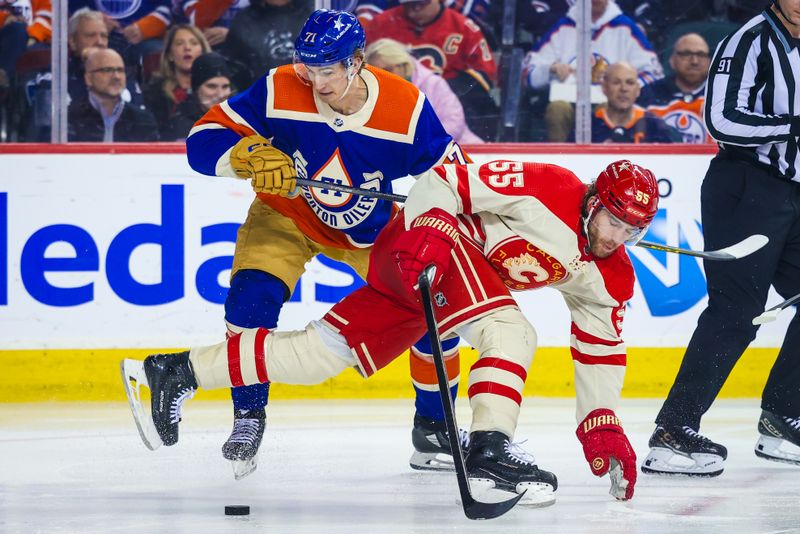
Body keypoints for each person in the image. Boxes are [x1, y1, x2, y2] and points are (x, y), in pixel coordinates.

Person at [122, 158, 660, 505]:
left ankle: (177, 370)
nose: (620, 237)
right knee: (509, 330)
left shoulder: (611, 275)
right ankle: (490, 447)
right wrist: (427, 232)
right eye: (614, 220)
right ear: (593, 200)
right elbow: (444, 177)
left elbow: (601, 349)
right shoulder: (549, 186)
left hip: (443, 286)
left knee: (320, 355)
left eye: (635, 230)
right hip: (424, 247)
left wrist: (601, 421)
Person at [181, 9, 469, 480]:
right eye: (308, 68)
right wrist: (244, 152)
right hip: (285, 215)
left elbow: (454, 176)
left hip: (367, 231)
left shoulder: (405, 106)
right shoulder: (280, 85)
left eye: (327, 70)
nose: (315, 81)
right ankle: (248, 418)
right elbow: (202, 137)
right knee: (249, 301)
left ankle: (434, 427)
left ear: (356, 61)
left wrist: (438, 208)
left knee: (433, 305)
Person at [642, 0, 800, 477]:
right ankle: (673, 430)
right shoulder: (750, 39)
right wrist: (793, 126)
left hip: (791, 192)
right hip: (745, 186)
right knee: (736, 310)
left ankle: (782, 417)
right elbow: (721, 119)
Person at [522, 0, 663, 142]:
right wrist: (550, 69)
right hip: (568, 98)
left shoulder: (626, 28)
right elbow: (527, 73)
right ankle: (563, 161)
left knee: (608, 109)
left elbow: (654, 72)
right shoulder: (562, 27)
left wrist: (625, 86)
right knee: (557, 109)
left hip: (611, 103)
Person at [364, 0, 499, 140]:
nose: (415, 9)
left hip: (450, 100)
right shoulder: (380, 24)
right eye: (410, 5)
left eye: (421, 4)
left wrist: (448, 87)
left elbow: (485, 72)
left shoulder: (464, 27)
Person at [365, 38, 483, 145]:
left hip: (460, 150)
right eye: (378, 73)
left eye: (388, 70)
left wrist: (419, 142)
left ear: (403, 65)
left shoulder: (432, 83)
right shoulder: (371, 91)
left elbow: (454, 123)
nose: (384, 76)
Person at [572, 62, 681, 143]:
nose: (624, 89)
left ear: (638, 90)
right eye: (616, 82)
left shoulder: (656, 127)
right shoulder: (588, 127)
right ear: (604, 88)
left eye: (630, 83)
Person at [67, 48, 159, 142]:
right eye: (107, 70)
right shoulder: (69, 118)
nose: (116, 76)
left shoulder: (143, 120)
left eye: (120, 70)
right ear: (88, 78)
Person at [220, 0, 314, 88]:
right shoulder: (244, 21)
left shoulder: (316, 15)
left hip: (310, 98)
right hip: (259, 99)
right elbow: (232, 71)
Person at [638, 33, 712, 144]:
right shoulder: (649, 93)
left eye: (701, 55)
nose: (694, 61)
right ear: (672, 60)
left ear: (710, 61)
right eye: (686, 54)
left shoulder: (720, 96)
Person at [143, 24, 210, 137]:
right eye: (179, 43)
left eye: (193, 43)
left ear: (203, 52)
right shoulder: (154, 92)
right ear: (170, 55)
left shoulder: (217, 89)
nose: (187, 48)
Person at [161, 52, 233, 141]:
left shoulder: (240, 120)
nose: (221, 94)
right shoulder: (179, 126)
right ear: (196, 89)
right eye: (211, 86)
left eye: (225, 86)